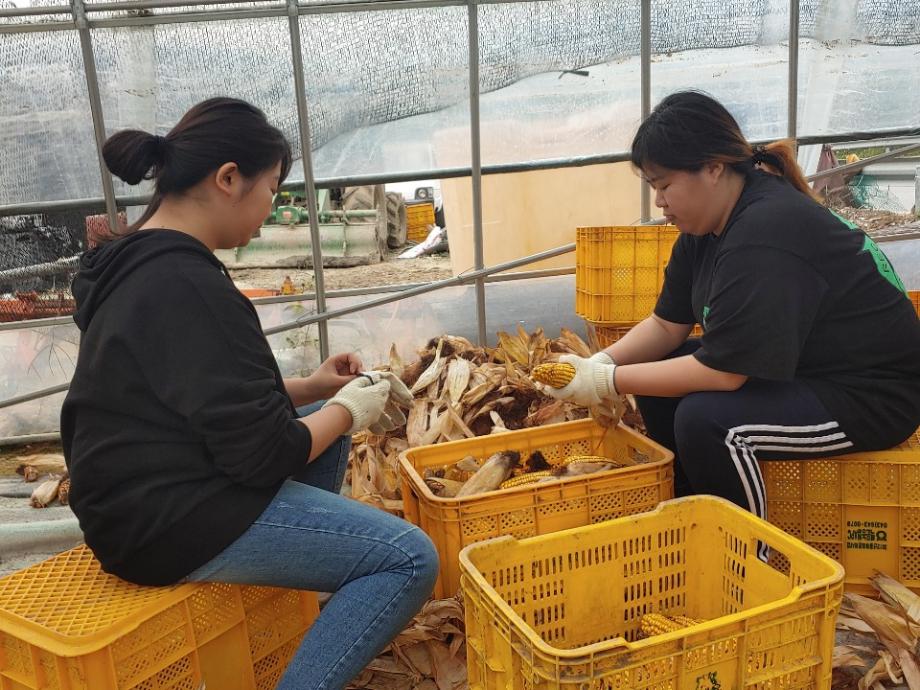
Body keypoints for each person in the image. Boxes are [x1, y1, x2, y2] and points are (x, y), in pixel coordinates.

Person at [61, 97, 438, 689]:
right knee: (409, 558)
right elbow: (266, 454)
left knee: (316, 410)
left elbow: (197, 392)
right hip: (162, 523)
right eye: (272, 189)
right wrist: (350, 410)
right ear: (229, 178)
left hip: (130, 499)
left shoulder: (135, 264)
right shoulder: (189, 284)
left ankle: (292, 594)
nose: (272, 209)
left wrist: (315, 388)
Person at [544, 91, 920, 537]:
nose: (659, 202)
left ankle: (745, 555)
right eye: (654, 188)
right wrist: (599, 364)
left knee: (710, 422)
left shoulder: (765, 231)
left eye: (664, 185)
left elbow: (724, 374)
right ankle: (689, 511)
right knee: (660, 376)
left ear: (713, 168)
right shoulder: (705, 228)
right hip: (807, 368)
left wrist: (607, 382)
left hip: (871, 394)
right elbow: (666, 325)